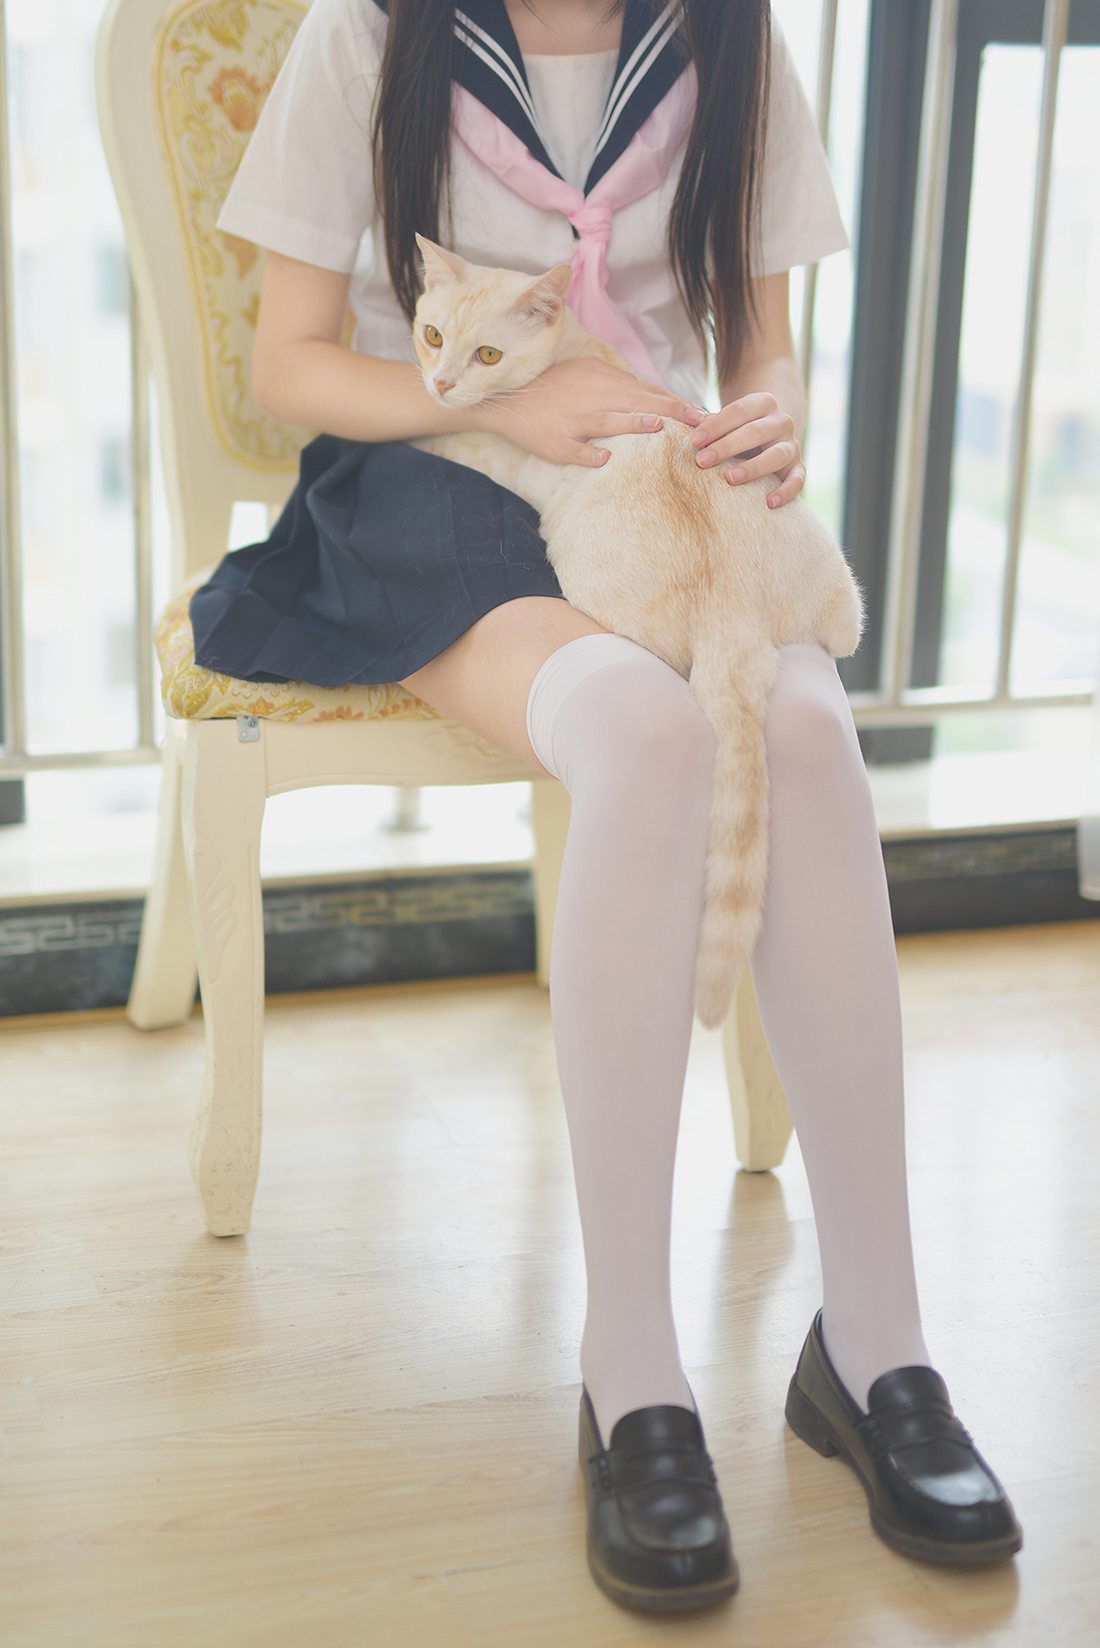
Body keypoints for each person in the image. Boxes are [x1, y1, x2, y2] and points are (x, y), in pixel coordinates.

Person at [193, 0, 1023, 1614]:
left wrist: (767, 409)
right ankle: (631, 1367)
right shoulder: (370, 34)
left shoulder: (729, 38)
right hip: (431, 473)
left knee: (804, 732)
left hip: (645, 484)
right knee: (648, 740)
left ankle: (879, 1343)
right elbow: (286, 361)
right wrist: (501, 405)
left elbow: (761, 338)